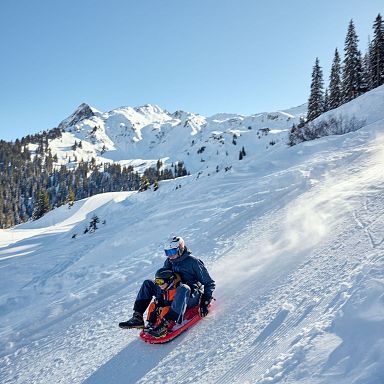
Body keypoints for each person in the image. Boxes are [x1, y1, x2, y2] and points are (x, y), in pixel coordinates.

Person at [119, 236, 215, 337]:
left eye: (172, 252)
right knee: (148, 283)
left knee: (183, 288)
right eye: (167, 253)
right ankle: (137, 317)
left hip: (190, 296)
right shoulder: (169, 261)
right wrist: (160, 301)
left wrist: (205, 302)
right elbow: (163, 281)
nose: (169, 256)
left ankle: (166, 324)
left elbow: (209, 283)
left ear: (180, 249)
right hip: (172, 293)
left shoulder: (193, 262)